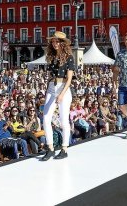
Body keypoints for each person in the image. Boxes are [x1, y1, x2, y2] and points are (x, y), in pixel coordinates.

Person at [42, 31, 74, 160]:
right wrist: (48, 88)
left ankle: (64, 148)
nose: (54, 43)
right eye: (53, 41)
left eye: (57, 41)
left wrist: (61, 94)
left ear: (62, 43)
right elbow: (50, 75)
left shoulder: (69, 57)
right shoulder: (51, 56)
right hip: (51, 87)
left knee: (63, 120)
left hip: (63, 88)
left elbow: (70, 79)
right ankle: (50, 148)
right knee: (45, 117)